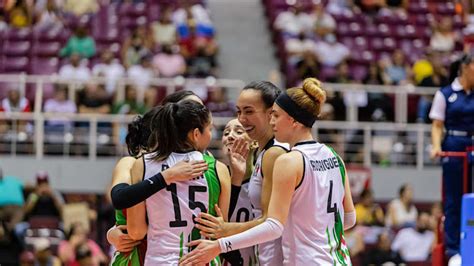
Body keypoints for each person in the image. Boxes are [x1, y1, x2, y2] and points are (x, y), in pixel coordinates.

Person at [181, 78, 356, 265]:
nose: (272, 121)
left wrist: (220, 244)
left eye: (276, 115)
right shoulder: (334, 156)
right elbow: (348, 219)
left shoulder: (286, 159)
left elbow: (272, 225)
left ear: (293, 120)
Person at [107, 91, 210, 266]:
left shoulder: (206, 164)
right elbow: (120, 199)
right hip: (138, 253)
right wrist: (112, 233)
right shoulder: (134, 163)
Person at [127, 100, 231, 265]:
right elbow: (221, 230)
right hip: (202, 261)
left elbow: (136, 231)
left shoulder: (142, 164)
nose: (211, 135)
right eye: (209, 129)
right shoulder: (218, 169)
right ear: (196, 134)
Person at [429, 53, 474, 258]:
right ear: (465, 69)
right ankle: (454, 250)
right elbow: (437, 126)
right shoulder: (445, 94)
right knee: (453, 199)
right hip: (454, 145)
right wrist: (436, 147)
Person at [219, 118, 258, 265]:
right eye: (226, 132)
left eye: (239, 131)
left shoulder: (263, 182)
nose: (230, 136)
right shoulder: (218, 179)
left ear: (254, 142)